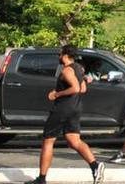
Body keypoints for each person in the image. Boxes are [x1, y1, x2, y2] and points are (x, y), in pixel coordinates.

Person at [29, 45, 105, 184]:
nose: (58, 56)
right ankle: (95, 165)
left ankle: (41, 179)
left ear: (65, 55)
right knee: (74, 140)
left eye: (60, 54)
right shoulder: (79, 69)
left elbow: (76, 88)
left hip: (62, 109)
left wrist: (56, 94)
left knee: (48, 141)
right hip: (75, 108)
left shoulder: (67, 70)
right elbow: (82, 89)